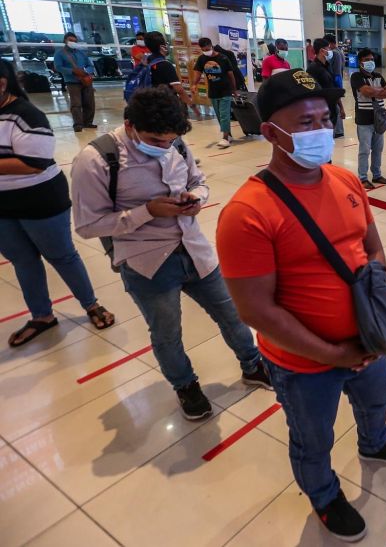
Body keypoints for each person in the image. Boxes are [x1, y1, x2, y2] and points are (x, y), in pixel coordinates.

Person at [215, 69, 386, 541]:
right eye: (305, 122)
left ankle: (374, 442)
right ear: (270, 132)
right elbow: (256, 311)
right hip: (303, 363)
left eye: (325, 119)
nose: (320, 131)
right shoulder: (248, 213)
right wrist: (332, 355)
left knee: (375, 402)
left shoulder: (345, 179)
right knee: (313, 439)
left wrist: (369, 321)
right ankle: (324, 494)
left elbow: (373, 249)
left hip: (365, 343)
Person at [71, 87, 270, 420]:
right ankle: (186, 386)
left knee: (232, 314)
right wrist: (147, 211)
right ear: (129, 124)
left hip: (195, 250)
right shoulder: (96, 159)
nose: (164, 148)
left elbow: (198, 180)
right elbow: (88, 226)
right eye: (155, 140)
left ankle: (252, 364)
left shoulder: (175, 143)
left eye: (170, 141)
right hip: (147, 263)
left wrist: (196, 198)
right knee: (167, 333)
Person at [0, 59, 116, 347]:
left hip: (40, 200)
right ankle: (42, 316)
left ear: (3, 83)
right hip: (3, 206)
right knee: (23, 261)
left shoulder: (26, 115)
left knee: (62, 255)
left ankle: (91, 304)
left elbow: (35, 163)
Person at [350, 48, 386, 190]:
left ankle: (377, 174)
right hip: (364, 119)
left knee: (378, 149)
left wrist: (374, 92)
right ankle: (362, 177)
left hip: (379, 118)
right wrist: (380, 91)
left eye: (372, 59)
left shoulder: (378, 76)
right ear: (360, 62)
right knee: (364, 150)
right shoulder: (356, 77)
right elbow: (366, 91)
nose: (370, 62)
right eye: (367, 60)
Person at [143, 31, 199, 120]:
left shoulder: (147, 62)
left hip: (151, 105)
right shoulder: (165, 65)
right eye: (166, 43)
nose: (167, 45)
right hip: (166, 106)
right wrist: (192, 105)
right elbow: (179, 90)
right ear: (162, 47)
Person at [192, 37, 237, 148]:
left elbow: (231, 75)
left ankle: (225, 138)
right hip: (213, 91)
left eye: (207, 49)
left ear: (211, 45)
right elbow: (197, 72)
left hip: (225, 90)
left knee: (224, 114)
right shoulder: (202, 59)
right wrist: (194, 84)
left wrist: (234, 89)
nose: (206, 51)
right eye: (203, 49)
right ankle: (229, 135)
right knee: (219, 115)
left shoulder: (223, 58)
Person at [54, 32, 97, 133]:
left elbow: (90, 66)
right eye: (70, 40)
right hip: (72, 81)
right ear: (65, 41)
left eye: (74, 41)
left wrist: (86, 72)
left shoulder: (81, 53)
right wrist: (72, 71)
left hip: (86, 81)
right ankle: (78, 124)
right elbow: (58, 67)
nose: (73, 42)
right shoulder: (60, 54)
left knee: (89, 102)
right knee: (76, 104)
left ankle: (88, 122)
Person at [306, 38, 347, 138]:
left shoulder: (328, 66)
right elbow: (310, 93)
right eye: (328, 49)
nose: (330, 52)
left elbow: (333, 88)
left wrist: (341, 108)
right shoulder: (313, 69)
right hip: (320, 113)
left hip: (331, 111)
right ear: (321, 51)